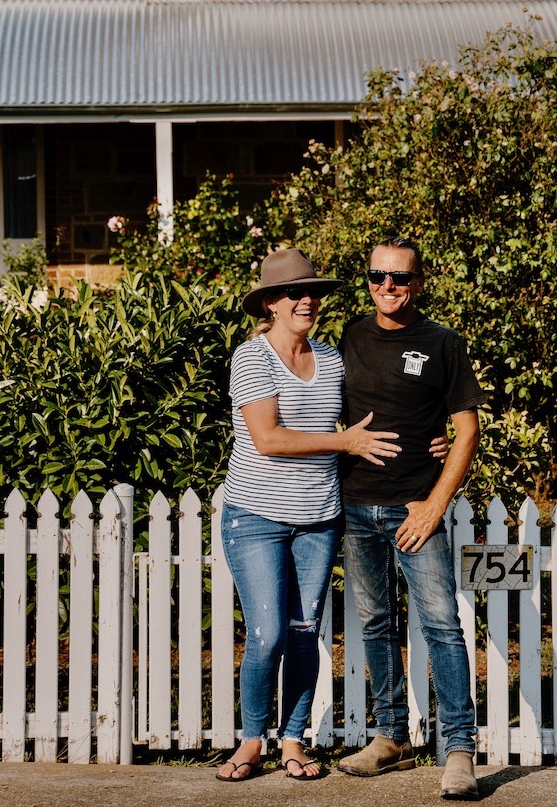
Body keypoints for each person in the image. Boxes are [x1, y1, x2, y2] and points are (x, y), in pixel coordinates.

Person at [216, 247, 403, 782]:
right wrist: (343, 442)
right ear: (271, 303)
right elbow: (268, 438)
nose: (307, 300)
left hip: (318, 519)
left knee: (303, 632)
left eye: (313, 292)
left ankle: (292, 742)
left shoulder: (331, 359)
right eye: (295, 292)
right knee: (268, 633)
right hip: (255, 516)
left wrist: (432, 439)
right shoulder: (252, 358)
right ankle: (253, 740)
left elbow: (375, 412)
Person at [337, 236, 484, 801]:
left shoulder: (442, 343)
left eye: (399, 277)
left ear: (419, 282)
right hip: (355, 507)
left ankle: (459, 750)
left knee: (442, 626)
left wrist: (434, 504)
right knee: (374, 624)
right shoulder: (348, 337)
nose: (387, 286)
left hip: (413, 508)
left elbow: (466, 430)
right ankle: (390, 737)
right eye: (377, 276)